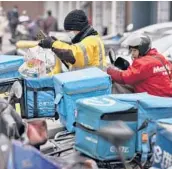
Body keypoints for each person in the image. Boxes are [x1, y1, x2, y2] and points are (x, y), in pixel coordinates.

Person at [38, 9, 107, 71]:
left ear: (77, 28)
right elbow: (75, 64)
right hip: (89, 82)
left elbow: (74, 54)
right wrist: (57, 48)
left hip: (93, 83)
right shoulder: (86, 40)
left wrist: (53, 44)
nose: (68, 34)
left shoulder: (91, 40)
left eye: (69, 31)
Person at [107, 34, 172, 97]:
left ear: (142, 50)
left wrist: (109, 70)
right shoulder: (160, 58)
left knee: (117, 84)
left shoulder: (143, 62)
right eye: (131, 51)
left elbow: (123, 78)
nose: (132, 54)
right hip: (167, 95)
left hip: (153, 98)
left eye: (134, 51)